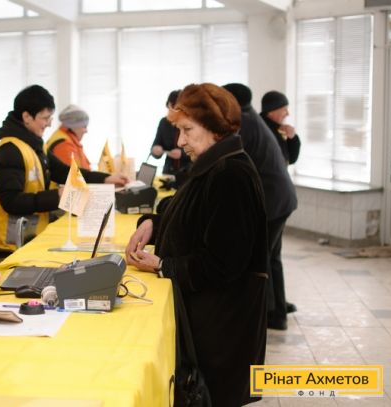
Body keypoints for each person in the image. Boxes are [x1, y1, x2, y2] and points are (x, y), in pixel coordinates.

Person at [126, 83, 268, 406]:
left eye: (187, 130)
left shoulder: (231, 175)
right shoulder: (213, 164)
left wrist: (163, 265)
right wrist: (153, 223)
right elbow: (192, 219)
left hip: (222, 328)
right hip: (210, 319)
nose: (179, 141)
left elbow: (223, 263)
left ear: (216, 129)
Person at [0, 85, 127, 252]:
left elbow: (64, 172)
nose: (49, 124)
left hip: (30, 233)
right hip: (9, 241)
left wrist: (105, 178)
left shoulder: (33, 144)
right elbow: (12, 202)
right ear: (27, 117)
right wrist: (56, 196)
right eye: (45, 118)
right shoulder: (11, 150)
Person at [224, 83, 298, 330]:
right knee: (271, 257)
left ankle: (268, 313)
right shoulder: (250, 117)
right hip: (280, 197)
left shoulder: (244, 124)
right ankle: (277, 312)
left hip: (272, 200)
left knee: (261, 259)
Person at [150, 89, 192, 176]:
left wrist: (182, 154)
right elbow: (156, 144)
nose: (169, 113)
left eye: (172, 109)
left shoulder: (191, 122)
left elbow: (201, 151)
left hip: (188, 172)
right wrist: (155, 150)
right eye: (168, 108)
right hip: (168, 172)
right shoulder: (164, 122)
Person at [260, 90, 301, 164]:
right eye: (284, 109)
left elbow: (290, 159)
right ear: (271, 111)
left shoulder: (276, 129)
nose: (288, 114)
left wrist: (292, 138)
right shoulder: (262, 131)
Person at [45, 104, 91, 170]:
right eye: (84, 126)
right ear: (74, 126)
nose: (86, 131)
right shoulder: (63, 145)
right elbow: (74, 173)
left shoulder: (67, 139)